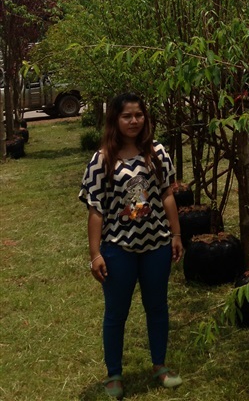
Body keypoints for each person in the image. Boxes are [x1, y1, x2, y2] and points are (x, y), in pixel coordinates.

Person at [80, 92, 184, 399]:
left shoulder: (158, 154)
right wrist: (95, 253)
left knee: (157, 307)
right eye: (127, 116)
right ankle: (114, 374)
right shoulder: (102, 160)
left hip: (156, 246)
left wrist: (176, 235)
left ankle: (160, 366)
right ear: (115, 120)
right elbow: (96, 210)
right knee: (116, 312)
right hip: (118, 249)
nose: (134, 121)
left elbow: (167, 195)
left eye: (138, 115)